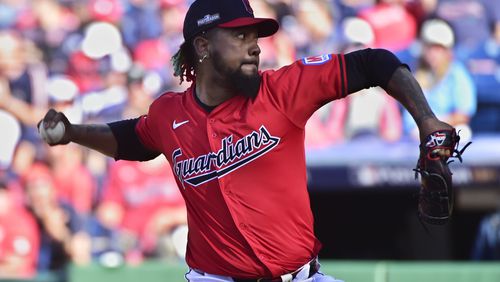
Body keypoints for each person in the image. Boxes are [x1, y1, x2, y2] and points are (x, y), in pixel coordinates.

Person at [38, 0, 456, 281]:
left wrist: (426, 119)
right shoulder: (170, 114)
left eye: (254, 36)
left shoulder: (283, 90)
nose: (254, 47)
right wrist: (73, 132)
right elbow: (132, 138)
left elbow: (373, 62)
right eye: (239, 36)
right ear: (202, 45)